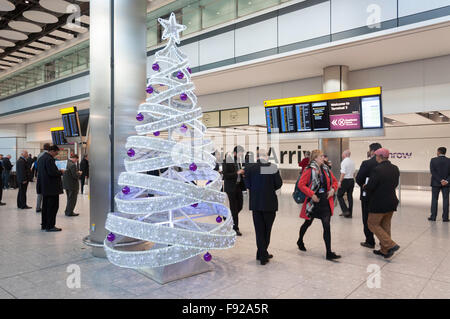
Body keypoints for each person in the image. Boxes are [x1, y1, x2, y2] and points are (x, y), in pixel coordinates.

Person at [297, 150, 341, 261]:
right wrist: (311, 195)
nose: (323, 157)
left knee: (327, 226)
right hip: (313, 202)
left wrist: (333, 189)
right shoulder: (309, 170)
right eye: (321, 156)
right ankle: (300, 240)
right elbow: (301, 184)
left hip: (325, 201)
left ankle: (329, 252)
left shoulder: (326, 169)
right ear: (315, 158)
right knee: (308, 223)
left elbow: (335, 182)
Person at [244, 149, 283, 265]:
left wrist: (255, 190)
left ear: (257, 156)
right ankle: (263, 255)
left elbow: (247, 183)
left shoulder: (250, 168)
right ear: (266, 156)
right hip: (269, 203)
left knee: (259, 230)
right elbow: (278, 184)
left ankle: (260, 252)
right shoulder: (272, 167)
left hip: (256, 203)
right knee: (267, 230)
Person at [364, 148, 400, 258]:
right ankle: (385, 250)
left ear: (379, 157)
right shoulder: (395, 168)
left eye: (376, 156)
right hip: (391, 201)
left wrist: (365, 187)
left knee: (372, 223)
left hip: (379, 203)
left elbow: (371, 186)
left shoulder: (377, 169)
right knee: (385, 225)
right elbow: (395, 184)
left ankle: (390, 244)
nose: (375, 158)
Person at [356, 143, 382, 249]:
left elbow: (358, 179)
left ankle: (370, 241)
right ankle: (383, 240)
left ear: (372, 151)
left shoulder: (366, 163)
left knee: (366, 218)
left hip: (367, 195)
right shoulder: (385, 164)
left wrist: (364, 186)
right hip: (381, 195)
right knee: (380, 220)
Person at [37, 145, 64, 232]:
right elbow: (52, 172)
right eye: (56, 152)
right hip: (52, 188)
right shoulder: (49, 159)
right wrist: (61, 172)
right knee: (52, 207)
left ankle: (44, 225)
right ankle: (50, 226)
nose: (57, 154)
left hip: (45, 187)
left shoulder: (41, 158)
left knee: (45, 207)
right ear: (52, 151)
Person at [223, 146, 246, 236]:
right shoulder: (226, 161)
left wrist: (242, 174)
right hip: (231, 188)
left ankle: (228, 217)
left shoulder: (238, 161)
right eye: (240, 153)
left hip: (238, 187)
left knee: (240, 206)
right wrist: (237, 173)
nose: (241, 155)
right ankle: (235, 228)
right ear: (235, 152)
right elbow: (226, 175)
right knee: (234, 207)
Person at [429, 147, 450, 222]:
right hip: (446, 185)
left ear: (438, 152)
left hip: (435, 183)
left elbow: (433, 172)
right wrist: (446, 181)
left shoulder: (433, 160)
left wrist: (440, 180)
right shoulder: (449, 160)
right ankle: (445, 218)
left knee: (434, 200)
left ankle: (433, 217)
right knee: (446, 200)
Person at [337, 150, 355, 218]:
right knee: (350, 196)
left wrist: (340, 181)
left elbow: (343, 173)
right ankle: (350, 213)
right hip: (351, 180)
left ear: (345, 154)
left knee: (339, 195)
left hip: (345, 180)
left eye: (342, 153)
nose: (342, 154)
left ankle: (345, 211)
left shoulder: (344, 162)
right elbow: (353, 172)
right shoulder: (352, 162)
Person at [35, 143, 50, 213]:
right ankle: (45, 207)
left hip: (39, 175)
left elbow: (37, 165)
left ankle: (38, 207)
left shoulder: (39, 155)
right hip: (45, 176)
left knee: (39, 192)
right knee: (46, 192)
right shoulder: (47, 156)